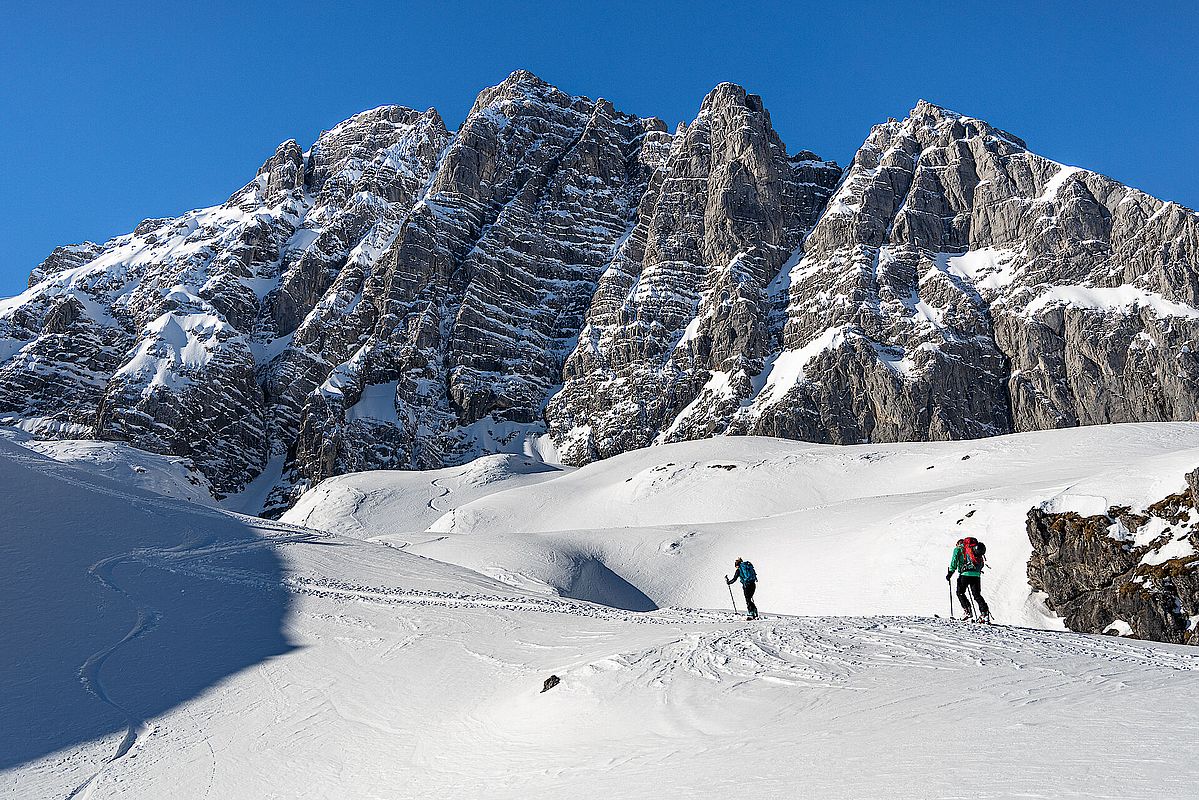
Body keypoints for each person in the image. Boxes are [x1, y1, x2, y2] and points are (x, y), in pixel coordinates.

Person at [947, 536, 991, 623]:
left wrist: (950, 573)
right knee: (977, 595)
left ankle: (967, 611)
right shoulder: (973, 549)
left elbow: (954, 561)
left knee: (960, 592)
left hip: (965, 574)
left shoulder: (959, 549)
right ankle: (984, 613)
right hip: (976, 574)